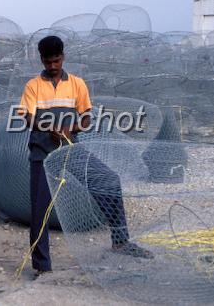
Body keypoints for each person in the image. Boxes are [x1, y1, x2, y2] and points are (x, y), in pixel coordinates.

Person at [19, 36, 153, 278]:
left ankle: (121, 242)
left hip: (71, 149)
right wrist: (49, 128)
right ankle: (42, 267)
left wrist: (71, 129)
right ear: (41, 60)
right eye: (48, 62)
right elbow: (27, 117)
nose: (52, 66)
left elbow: (87, 118)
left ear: (63, 57)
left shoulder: (78, 84)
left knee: (110, 181)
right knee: (40, 211)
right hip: (42, 154)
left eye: (56, 61)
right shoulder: (33, 86)